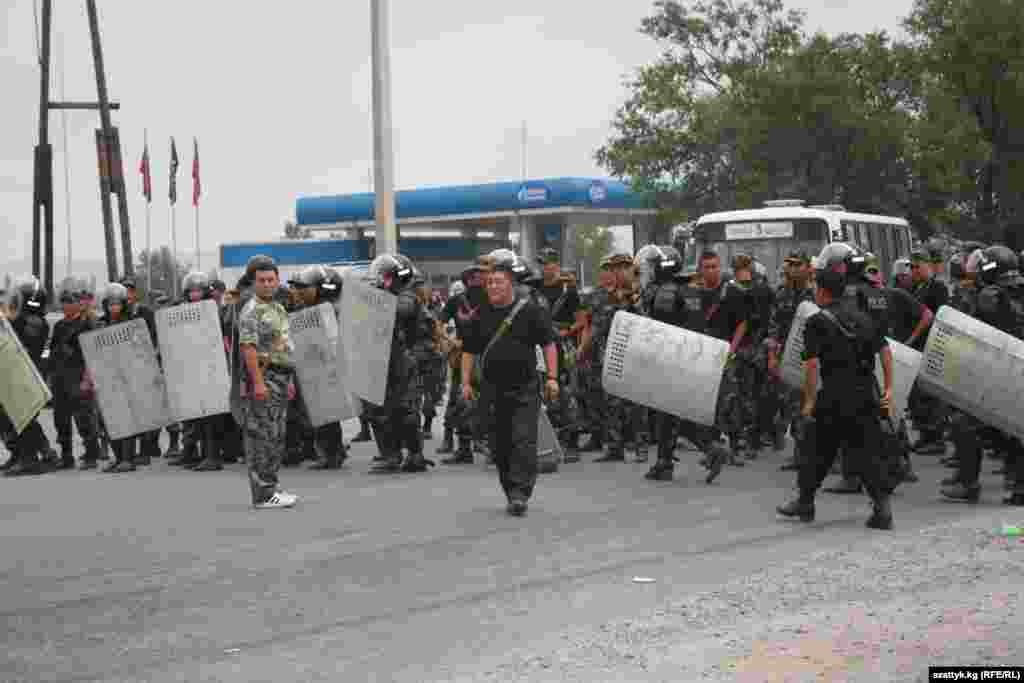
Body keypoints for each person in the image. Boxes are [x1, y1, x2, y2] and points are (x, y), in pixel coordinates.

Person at [776, 264, 897, 530]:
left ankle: (805, 502)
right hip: (866, 394)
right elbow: (886, 353)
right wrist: (888, 389)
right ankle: (882, 509)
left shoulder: (817, 321)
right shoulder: (866, 319)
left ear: (822, 292)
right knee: (868, 452)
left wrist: (808, 404)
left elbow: (811, 367)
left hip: (833, 395)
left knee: (816, 449)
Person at [461, 259, 559, 516]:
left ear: (511, 284)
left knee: (524, 440)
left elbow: (548, 344)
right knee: (501, 445)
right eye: (489, 282)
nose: (492, 286)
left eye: (499, 282)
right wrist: (465, 382)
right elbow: (469, 351)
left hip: (525, 387)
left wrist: (552, 378)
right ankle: (510, 489)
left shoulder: (530, 311)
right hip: (492, 390)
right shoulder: (481, 314)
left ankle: (520, 493)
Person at [941, 245, 1024, 506]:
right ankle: (1019, 485)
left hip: (998, 369)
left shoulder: (990, 296)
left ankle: (968, 484)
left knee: (964, 421)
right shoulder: (1018, 290)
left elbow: (970, 327)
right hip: (1016, 368)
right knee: (1012, 427)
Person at [237, 256, 299, 508]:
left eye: (271, 280)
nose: (267, 284)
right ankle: (263, 494)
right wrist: (258, 382)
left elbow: (284, 346)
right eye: (261, 280)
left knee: (276, 435)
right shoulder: (251, 311)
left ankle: (270, 485)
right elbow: (248, 349)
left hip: (281, 377)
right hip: (265, 376)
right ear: (253, 283)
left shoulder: (277, 308)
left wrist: (290, 379)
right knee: (262, 436)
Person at [365, 253, 433, 474]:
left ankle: (415, 454)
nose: (379, 279)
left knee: (407, 410)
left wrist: (376, 297)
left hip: (406, 361)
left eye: (383, 276)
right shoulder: (381, 296)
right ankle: (390, 454)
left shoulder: (406, 296)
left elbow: (399, 310)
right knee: (378, 410)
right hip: (383, 361)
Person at [286, 265, 348, 470]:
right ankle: (333, 452)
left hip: (326, 365)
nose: (300, 292)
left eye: (305, 288)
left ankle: (330, 454)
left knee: (324, 412)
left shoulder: (332, 309)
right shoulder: (308, 310)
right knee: (322, 412)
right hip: (314, 365)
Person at [765, 251, 815, 470]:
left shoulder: (815, 294)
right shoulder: (781, 294)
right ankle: (800, 453)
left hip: (812, 357)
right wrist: (772, 357)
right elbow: (773, 327)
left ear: (807, 267)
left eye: (798, 264)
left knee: (814, 406)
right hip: (788, 358)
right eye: (791, 264)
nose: (794, 269)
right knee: (792, 404)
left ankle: (821, 454)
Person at [48, 277, 104, 471]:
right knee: (60, 420)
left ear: (77, 304)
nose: (67, 307)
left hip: (79, 374)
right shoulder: (59, 326)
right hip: (60, 377)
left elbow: (93, 354)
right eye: (64, 303)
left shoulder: (87, 324)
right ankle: (66, 455)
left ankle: (91, 455)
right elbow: (53, 352)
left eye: (70, 302)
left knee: (84, 419)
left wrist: (87, 379)